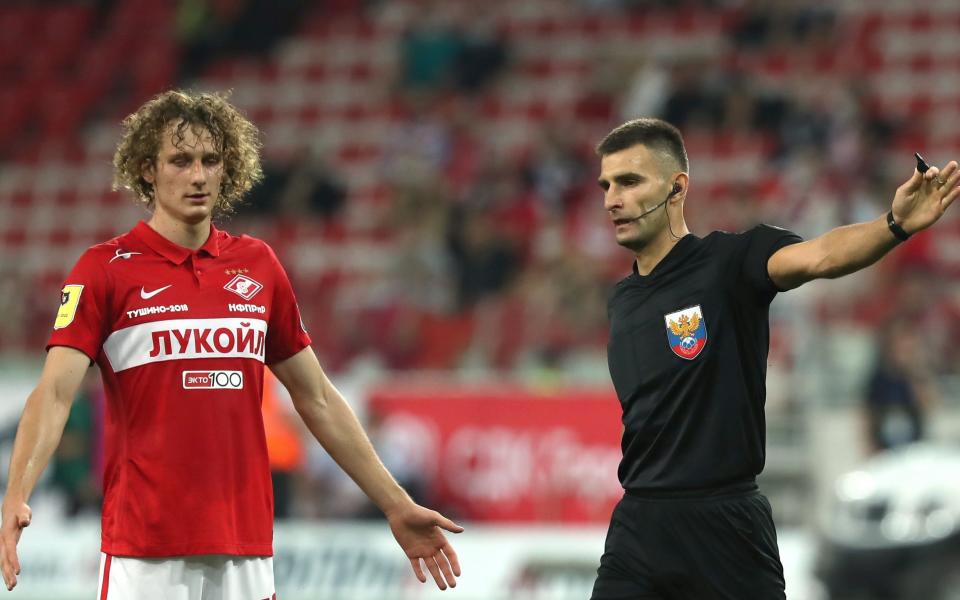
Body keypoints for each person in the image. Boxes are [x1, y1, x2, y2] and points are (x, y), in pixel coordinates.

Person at [0, 90, 462, 598]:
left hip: (245, 550)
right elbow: (54, 394)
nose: (198, 176)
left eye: (210, 160)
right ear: (147, 169)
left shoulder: (259, 265)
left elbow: (318, 398)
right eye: (180, 160)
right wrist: (16, 494)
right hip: (144, 552)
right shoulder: (104, 270)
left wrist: (395, 503)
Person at [590, 117, 957, 600]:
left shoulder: (731, 262)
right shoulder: (622, 301)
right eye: (606, 184)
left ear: (676, 187)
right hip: (639, 525)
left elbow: (821, 256)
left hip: (727, 527)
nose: (612, 198)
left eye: (630, 181)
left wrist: (894, 226)